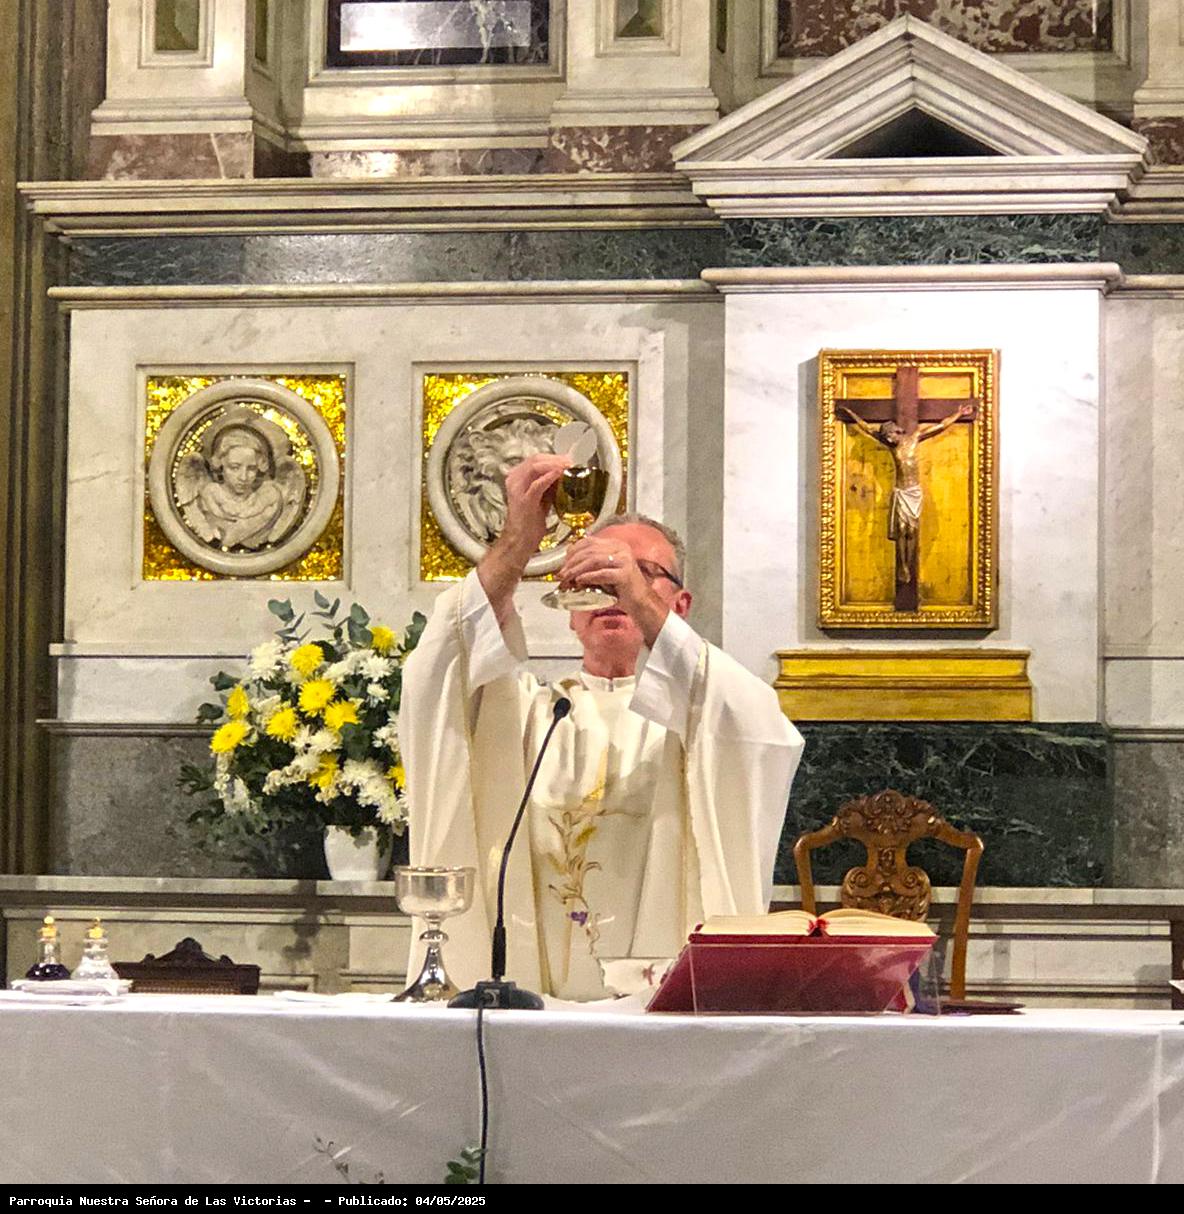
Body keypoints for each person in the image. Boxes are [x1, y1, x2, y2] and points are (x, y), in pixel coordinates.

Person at [400, 453, 805, 1000]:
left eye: (643, 573)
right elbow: (439, 670)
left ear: (681, 605)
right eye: (598, 577)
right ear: (570, 608)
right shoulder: (529, 718)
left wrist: (638, 598)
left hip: (659, 1019)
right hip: (530, 1012)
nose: (615, 590)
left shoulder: (706, 713)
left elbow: (759, 729)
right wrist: (518, 543)